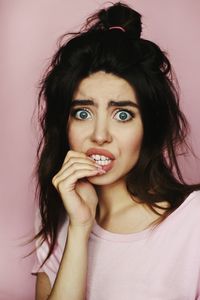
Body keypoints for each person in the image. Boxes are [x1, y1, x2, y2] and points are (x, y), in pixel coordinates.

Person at [31, 2, 200, 299]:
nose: (99, 135)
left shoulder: (193, 222)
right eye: (82, 113)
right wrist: (80, 229)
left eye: (123, 115)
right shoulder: (60, 215)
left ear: (150, 127)